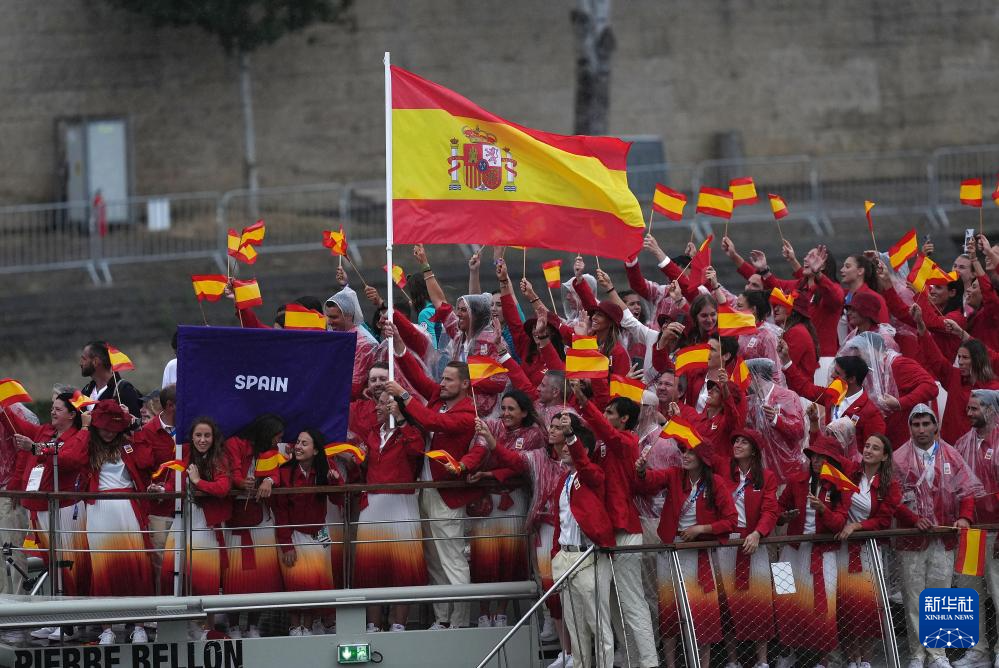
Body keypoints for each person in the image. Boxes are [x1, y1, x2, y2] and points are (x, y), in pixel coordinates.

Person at [385, 322, 478, 630]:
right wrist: (398, 344)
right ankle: (443, 619)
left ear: (465, 384)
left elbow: (429, 421)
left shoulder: (467, 414)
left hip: (446, 493)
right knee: (434, 560)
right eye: (444, 377)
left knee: (451, 557)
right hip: (426, 489)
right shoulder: (440, 398)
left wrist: (403, 397)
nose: (443, 382)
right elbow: (418, 377)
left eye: (450, 379)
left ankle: (461, 624)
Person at [572, 384, 659, 668]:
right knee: (612, 602)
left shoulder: (627, 441)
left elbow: (606, 432)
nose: (604, 416)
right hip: (607, 533)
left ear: (624, 419)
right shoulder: (605, 446)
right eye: (604, 411)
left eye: (609, 412)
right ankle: (634, 660)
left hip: (625, 531)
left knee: (632, 602)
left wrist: (586, 403)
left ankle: (648, 663)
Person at [635, 439, 737, 668]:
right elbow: (650, 482)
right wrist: (642, 471)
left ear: (703, 459)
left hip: (697, 553)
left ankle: (703, 664)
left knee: (704, 613)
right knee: (669, 611)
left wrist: (701, 529)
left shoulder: (716, 483)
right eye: (684, 451)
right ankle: (670, 665)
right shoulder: (673, 475)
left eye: (691, 452)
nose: (685, 456)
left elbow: (731, 520)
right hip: (671, 551)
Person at [59, 401, 154, 644]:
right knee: (102, 569)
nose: (109, 431)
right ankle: (107, 629)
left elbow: (147, 462)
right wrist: (84, 429)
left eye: (114, 426)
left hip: (128, 509)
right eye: (103, 426)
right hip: (99, 510)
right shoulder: (87, 444)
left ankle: (140, 626)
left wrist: (136, 428)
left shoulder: (128, 444)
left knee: (137, 567)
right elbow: (67, 458)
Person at [895, 405, 980, 668]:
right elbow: (892, 498)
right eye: (916, 424)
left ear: (936, 426)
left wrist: (965, 517)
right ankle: (917, 654)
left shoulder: (951, 455)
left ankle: (939, 654)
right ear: (910, 427)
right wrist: (913, 519)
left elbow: (968, 490)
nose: (921, 430)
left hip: (943, 537)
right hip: (912, 538)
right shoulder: (899, 458)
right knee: (913, 596)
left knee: (942, 595)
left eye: (925, 424)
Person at [3, 393, 89, 643]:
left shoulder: (78, 436)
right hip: (40, 506)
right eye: (52, 407)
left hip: (64, 507)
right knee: (52, 565)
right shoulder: (44, 431)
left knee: (69, 566)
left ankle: (72, 620)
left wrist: (36, 448)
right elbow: (17, 425)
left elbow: (72, 458)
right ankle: (58, 617)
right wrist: (2, 408)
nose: (53, 412)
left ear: (72, 414)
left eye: (58, 409)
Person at [147, 417, 231, 639]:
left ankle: (207, 628)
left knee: (206, 579)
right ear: (191, 437)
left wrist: (198, 481)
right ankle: (180, 624)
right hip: (182, 520)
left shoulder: (219, 459)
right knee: (171, 572)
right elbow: (175, 482)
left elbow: (223, 488)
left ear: (214, 439)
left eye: (207, 436)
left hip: (205, 522)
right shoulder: (184, 456)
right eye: (198, 435)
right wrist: (161, 489)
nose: (202, 440)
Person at [773, 436, 849, 668]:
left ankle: (823, 660)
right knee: (784, 600)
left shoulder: (840, 486)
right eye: (814, 456)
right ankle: (788, 652)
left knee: (823, 605)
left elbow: (838, 523)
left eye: (822, 457)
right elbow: (777, 507)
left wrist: (823, 510)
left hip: (822, 553)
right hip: (790, 549)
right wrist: (783, 517)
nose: (816, 460)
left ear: (832, 460)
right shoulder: (796, 480)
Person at [354, 391, 428, 632]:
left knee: (402, 568)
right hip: (374, 504)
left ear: (396, 407)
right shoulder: (372, 433)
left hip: (400, 505)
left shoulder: (410, 433)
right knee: (371, 568)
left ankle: (399, 624)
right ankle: (373, 624)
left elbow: (417, 451)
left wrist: (403, 421)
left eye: (383, 403)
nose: (377, 407)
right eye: (377, 403)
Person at [466, 391, 541, 628]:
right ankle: (483, 612)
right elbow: (477, 454)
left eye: (512, 409)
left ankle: (501, 612)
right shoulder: (492, 426)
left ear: (525, 412)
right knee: (483, 559)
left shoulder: (534, 434)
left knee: (509, 558)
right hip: (487, 502)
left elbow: (518, 465)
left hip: (514, 501)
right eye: (504, 408)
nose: (506, 413)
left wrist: (490, 471)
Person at [550, 412, 615, 668]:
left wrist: (570, 434)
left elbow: (586, 467)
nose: (565, 448)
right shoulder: (564, 480)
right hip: (566, 558)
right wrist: (556, 554)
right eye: (565, 445)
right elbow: (560, 523)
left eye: (570, 444)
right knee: (575, 627)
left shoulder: (593, 475)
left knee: (597, 624)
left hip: (590, 557)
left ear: (583, 448)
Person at [834, 433, 901, 668]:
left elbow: (883, 521)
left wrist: (857, 525)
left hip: (868, 550)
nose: (869, 450)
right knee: (846, 606)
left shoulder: (889, 484)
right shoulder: (851, 472)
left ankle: (867, 660)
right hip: (843, 548)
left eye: (875, 448)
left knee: (869, 607)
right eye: (867, 446)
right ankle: (852, 659)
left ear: (884, 456)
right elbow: (829, 454)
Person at [715, 429, 779, 668]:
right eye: (736, 441)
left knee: (760, 601)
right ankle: (733, 661)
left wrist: (757, 533)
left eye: (744, 442)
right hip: (728, 541)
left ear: (754, 449)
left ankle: (762, 662)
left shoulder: (767, 477)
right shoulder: (723, 470)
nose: (738, 445)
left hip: (755, 542)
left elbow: (771, 510)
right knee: (728, 602)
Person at [222, 414, 285, 638]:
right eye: (275, 438)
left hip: (261, 518)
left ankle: (254, 625)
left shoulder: (270, 451)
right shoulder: (235, 443)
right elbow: (233, 472)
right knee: (233, 577)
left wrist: (269, 480)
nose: (277, 442)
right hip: (234, 518)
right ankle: (233, 625)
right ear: (265, 434)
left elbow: (277, 471)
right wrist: (240, 482)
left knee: (262, 577)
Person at [273, 429, 338, 636]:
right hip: (292, 535)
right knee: (295, 582)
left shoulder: (325, 469)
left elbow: (338, 499)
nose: (298, 447)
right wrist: (286, 544)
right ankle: (294, 627)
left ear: (316, 450)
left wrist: (334, 481)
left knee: (315, 582)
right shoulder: (284, 472)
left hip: (318, 534)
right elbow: (280, 512)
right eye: (298, 442)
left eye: (304, 443)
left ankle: (309, 626)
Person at [951, 390, 999, 668]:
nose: (969, 413)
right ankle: (977, 652)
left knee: (998, 590)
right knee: (970, 594)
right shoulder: (961, 443)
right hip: (971, 533)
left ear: (990, 410)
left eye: (974, 409)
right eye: (967, 408)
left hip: (995, 532)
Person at [782, 351, 887, 452]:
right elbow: (805, 388)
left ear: (851, 379)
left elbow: (874, 452)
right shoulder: (833, 393)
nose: (832, 375)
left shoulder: (871, 413)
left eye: (837, 373)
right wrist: (786, 360)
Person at [131, 383, 178, 594]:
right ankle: (159, 613)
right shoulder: (147, 432)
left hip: (187, 507)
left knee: (187, 561)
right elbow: (142, 467)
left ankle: (187, 614)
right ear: (171, 406)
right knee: (158, 560)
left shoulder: (193, 429)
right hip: (159, 509)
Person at [744, 358, 806, 486]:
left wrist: (776, 419)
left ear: (757, 376)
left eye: (747, 376)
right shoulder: (750, 402)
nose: (744, 382)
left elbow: (799, 430)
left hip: (788, 471)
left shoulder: (787, 396)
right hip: (763, 472)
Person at [79, 341, 143, 416]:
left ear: (95, 361)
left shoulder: (123, 391)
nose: (80, 363)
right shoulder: (86, 390)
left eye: (84, 359)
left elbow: (137, 424)